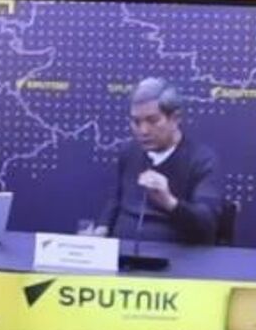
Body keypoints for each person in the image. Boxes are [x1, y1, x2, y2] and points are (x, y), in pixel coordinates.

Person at [94, 78, 223, 246]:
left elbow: (208, 224)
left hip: (175, 257)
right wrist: (101, 230)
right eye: (136, 122)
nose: (143, 130)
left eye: (153, 120)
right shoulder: (129, 152)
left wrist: (169, 202)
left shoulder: (201, 160)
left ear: (175, 119)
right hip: (122, 253)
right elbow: (116, 200)